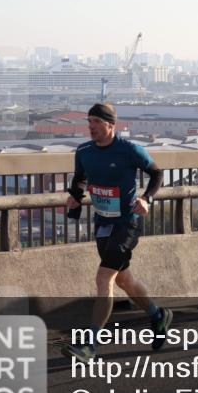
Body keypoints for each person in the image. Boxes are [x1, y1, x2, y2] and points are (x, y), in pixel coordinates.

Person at [61, 103, 170, 360]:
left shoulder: (130, 150)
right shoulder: (84, 151)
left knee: (103, 279)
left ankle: (89, 345)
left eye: (96, 122)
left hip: (127, 223)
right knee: (123, 280)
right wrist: (75, 196)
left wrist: (147, 199)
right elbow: (80, 178)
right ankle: (158, 315)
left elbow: (156, 174)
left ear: (111, 125)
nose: (91, 127)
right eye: (89, 122)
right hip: (102, 223)